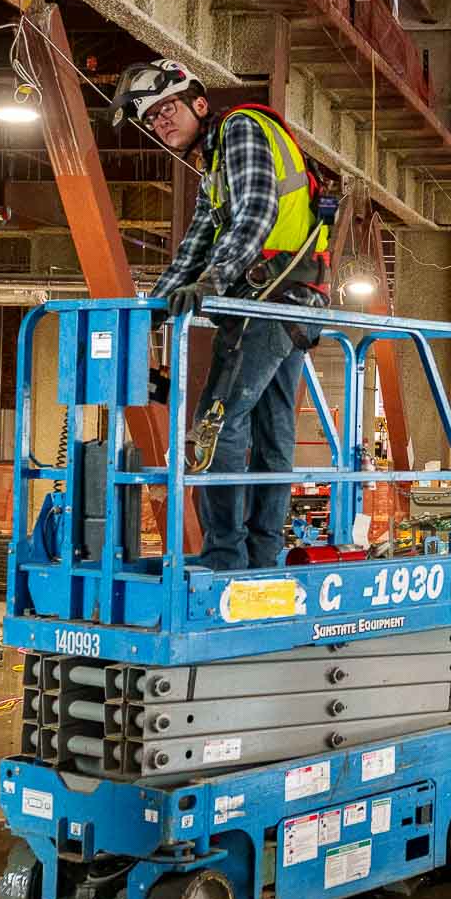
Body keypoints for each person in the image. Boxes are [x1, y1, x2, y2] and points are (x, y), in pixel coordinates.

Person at [114, 58, 328, 572]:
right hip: (285, 304)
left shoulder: (241, 131)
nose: (161, 123)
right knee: (272, 434)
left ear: (199, 103)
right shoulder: (214, 171)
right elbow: (194, 246)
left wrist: (211, 283)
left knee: (216, 426)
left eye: (167, 109)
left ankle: (226, 561)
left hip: (272, 300)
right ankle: (261, 557)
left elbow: (257, 210)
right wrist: (151, 314)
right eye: (152, 119)